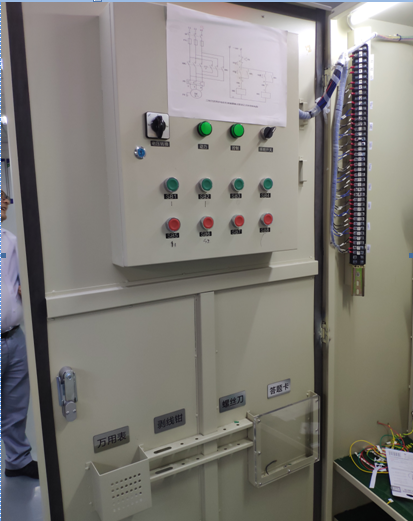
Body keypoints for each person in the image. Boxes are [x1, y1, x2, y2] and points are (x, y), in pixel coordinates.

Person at [1, 189, 39, 479]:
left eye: (5, 197)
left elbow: (19, 280)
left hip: (14, 338)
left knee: (16, 404)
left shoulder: (10, 241)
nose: (5, 201)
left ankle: (17, 460)